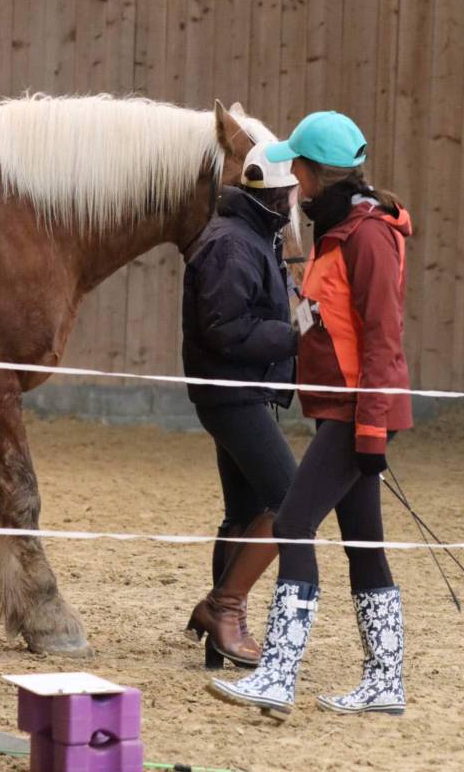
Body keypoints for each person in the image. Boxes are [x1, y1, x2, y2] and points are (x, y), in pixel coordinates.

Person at [208, 111, 413, 717]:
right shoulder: (339, 233)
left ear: (319, 174)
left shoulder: (369, 236)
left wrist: (372, 428)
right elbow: (327, 321)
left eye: (298, 165)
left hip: (357, 412)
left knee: (294, 523)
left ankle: (278, 673)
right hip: (339, 408)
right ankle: (385, 681)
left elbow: (382, 338)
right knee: (363, 542)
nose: (291, 176)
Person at [182, 142, 300, 669]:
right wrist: (296, 335)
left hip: (236, 392)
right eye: (292, 187)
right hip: (234, 395)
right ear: (275, 192)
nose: (298, 195)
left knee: (245, 511)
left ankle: (223, 625)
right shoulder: (235, 244)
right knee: (291, 501)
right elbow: (226, 330)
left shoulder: (252, 236)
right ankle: (223, 608)